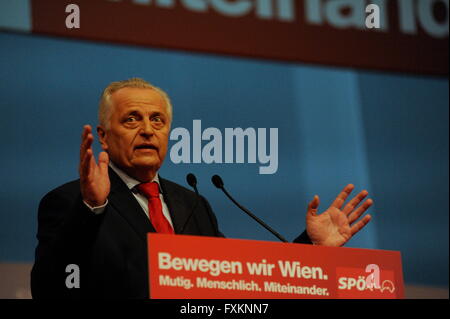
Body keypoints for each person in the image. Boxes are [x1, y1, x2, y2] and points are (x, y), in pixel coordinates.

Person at [31, 78, 373, 299]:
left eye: (158, 120)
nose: (148, 130)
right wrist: (92, 209)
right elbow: (51, 288)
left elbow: (238, 282)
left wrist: (311, 249)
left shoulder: (192, 204)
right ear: (104, 136)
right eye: (132, 119)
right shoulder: (69, 202)